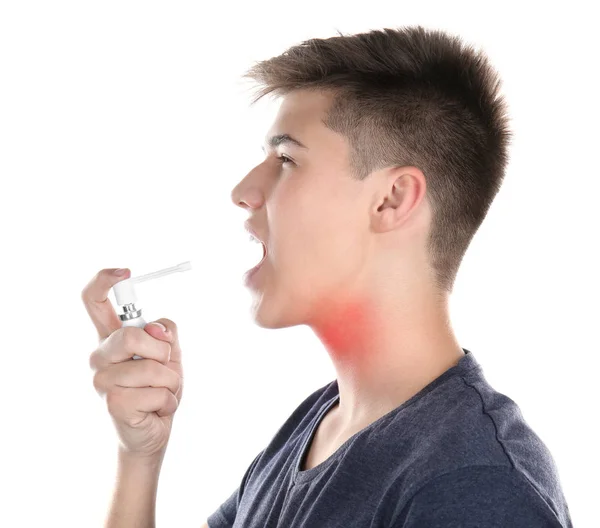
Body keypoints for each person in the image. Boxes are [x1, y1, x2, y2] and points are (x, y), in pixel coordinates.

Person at [84, 25, 573, 527]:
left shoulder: (474, 487)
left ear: (392, 200)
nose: (244, 190)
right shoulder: (318, 427)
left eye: (287, 158)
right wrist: (139, 455)